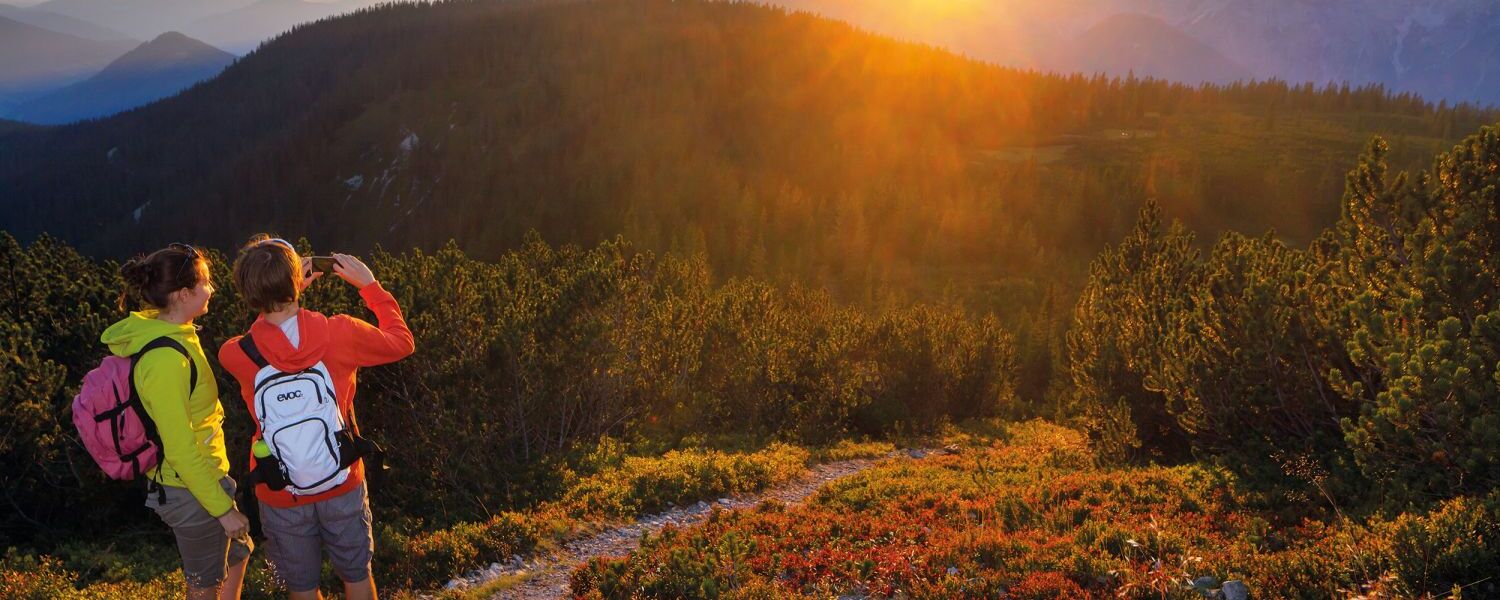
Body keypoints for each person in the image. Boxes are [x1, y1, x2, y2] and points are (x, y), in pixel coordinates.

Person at [218, 235, 414, 600]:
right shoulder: (341, 332)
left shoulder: (235, 354)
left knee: (301, 587)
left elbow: (263, 335)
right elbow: (402, 341)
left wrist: (281, 291)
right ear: (296, 280)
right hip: (341, 479)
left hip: (279, 489)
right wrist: (371, 288)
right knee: (356, 575)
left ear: (247, 292)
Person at [102, 243, 252, 600]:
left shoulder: (172, 333)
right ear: (184, 294)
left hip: (200, 476)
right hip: (188, 488)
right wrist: (222, 509)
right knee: (204, 586)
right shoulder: (167, 361)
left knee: (238, 555)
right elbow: (180, 449)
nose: (212, 289)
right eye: (206, 282)